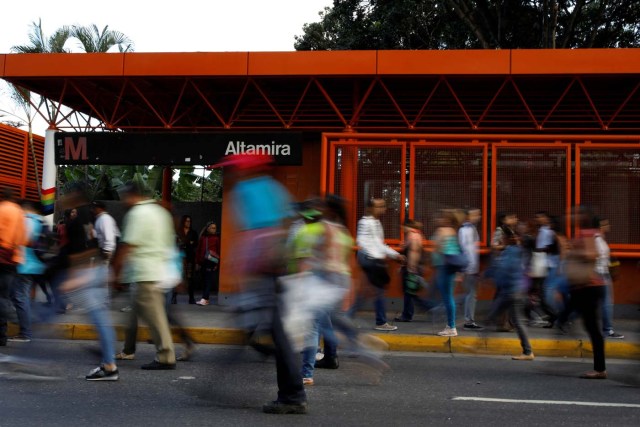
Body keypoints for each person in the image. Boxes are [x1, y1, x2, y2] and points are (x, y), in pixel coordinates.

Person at [214, 153, 307, 414]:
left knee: (269, 331)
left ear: (244, 170)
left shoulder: (246, 189)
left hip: (261, 271)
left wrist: (244, 271)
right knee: (272, 331)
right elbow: (286, 224)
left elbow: (255, 236)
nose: (231, 175)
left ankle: (292, 395)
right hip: (275, 270)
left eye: (233, 169)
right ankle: (291, 391)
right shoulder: (274, 188)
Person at [112, 181, 177, 370]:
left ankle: (166, 356)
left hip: (144, 272)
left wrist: (116, 273)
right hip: (157, 270)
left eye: (124, 197)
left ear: (130, 195)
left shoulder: (137, 214)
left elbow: (128, 245)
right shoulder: (160, 212)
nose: (123, 201)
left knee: (156, 318)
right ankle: (128, 349)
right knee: (134, 315)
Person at [57, 186, 119, 380]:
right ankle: (108, 360)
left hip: (90, 271)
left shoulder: (80, 220)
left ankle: (109, 364)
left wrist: (78, 277)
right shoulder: (88, 217)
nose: (63, 199)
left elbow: (86, 250)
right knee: (102, 319)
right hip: (95, 269)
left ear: (74, 196)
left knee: (100, 319)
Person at [349, 198, 404, 331]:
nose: (382, 209)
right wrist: (381, 254)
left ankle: (349, 317)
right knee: (378, 291)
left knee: (366, 292)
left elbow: (379, 243)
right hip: (370, 259)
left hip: (370, 258)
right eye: (379, 206)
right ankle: (380, 322)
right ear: (370, 208)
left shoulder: (375, 222)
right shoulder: (365, 222)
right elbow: (362, 241)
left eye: (383, 206)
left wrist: (393, 254)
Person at [565, 207, 607, 379]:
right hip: (584, 287)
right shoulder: (588, 232)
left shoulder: (587, 232)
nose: (572, 216)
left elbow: (591, 255)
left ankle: (600, 369)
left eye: (576, 214)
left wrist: (573, 251)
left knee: (593, 328)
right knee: (587, 325)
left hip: (589, 286)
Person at [484, 225, 534, 361]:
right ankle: (527, 351)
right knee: (516, 321)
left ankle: (481, 344)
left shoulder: (511, 251)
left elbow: (504, 270)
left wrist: (491, 277)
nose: (501, 241)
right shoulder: (519, 251)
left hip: (511, 291)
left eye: (502, 238)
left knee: (495, 316)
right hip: (515, 290)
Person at [9, 201, 48, 343]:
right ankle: (25, 327)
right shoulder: (40, 221)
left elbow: (22, 241)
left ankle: (25, 332)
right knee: (19, 297)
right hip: (34, 266)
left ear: (26, 208)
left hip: (23, 265)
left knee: (19, 297)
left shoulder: (27, 221)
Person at [394, 219, 438, 322]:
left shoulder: (412, 235)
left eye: (402, 227)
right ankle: (428, 308)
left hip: (413, 267)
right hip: (416, 267)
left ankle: (412, 313)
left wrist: (411, 268)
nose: (401, 229)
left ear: (405, 226)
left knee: (409, 292)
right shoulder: (417, 234)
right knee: (410, 292)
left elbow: (414, 252)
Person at [0, 188, 28, 347]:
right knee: (4, 296)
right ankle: (2, 335)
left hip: (1, 255)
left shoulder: (1, 209)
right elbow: (23, 238)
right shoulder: (19, 212)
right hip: (13, 260)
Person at [433, 210, 464, 337]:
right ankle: (450, 325)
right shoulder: (453, 232)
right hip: (450, 268)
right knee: (448, 297)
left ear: (446, 219)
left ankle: (451, 326)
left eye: (442, 217)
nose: (439, 219)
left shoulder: (443, 231)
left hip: (444, 267)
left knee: (447, 298)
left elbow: (438, 248)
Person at [595, 218, 624, 339]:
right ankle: (607, 330)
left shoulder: (600, 238)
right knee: (606, 303)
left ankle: (563, 320)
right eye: (605, 224)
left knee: (591, 302)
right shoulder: (596, 239)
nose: (608, 226)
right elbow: (596, 256)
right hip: (600, 273)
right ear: (599, 226)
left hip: (603, 273)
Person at [458, 208, 483, 331]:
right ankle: (469, 320)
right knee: (470, 294)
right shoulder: (465, 230)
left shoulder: (472, 229)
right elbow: (464, 249)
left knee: (470, 294)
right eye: (475, 214)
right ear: (468, 216)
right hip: (468, 268)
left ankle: (469, 319)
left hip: (471, 267)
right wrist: (466, 268)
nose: (478, 216)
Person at [174, 215, 198, 304]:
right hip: (179, 258)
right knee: (177, 277)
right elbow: (175, 243)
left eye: (189, 221)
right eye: (186, 221)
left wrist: (187, 243)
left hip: (190, 258)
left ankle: (191, 298)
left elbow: (195, 244)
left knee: (190, 278)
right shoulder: (178, 232)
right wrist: (188, 243)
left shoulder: (193, 232)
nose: (188, 223)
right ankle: (174, 297)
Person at [195, 221, 220, 306]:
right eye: (212, 228)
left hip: (211, 262)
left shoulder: (216, 238)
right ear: (208, 228)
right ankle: (206, 299)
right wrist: (197, 262)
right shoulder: (203, 238)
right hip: (203, 262)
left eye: (215, 228)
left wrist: (217, 264)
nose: (214, 229)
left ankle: (204, 298)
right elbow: (198, 250)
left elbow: (218, 251)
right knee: (204, 281)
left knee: (208, 280)